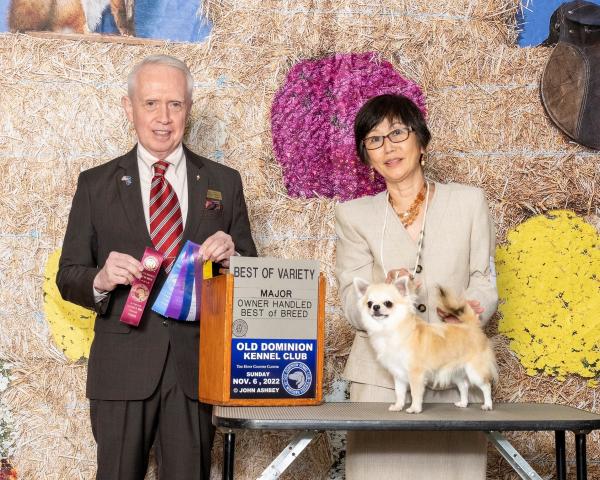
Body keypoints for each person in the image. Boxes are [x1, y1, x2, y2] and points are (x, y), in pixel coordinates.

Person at [56, 55, 257, 480]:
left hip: (195, 370)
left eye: (175, 104)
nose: (163, 117)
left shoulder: (225, 181)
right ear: (129, 109)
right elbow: (68, 275)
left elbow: (253, 276)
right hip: (121, 368)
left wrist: (233, 261)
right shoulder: (95, 184)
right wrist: (100, 278)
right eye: (151, 103)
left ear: (189, 109)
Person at [335, 94, 498, 479]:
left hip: (451, 370)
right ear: (366, 157)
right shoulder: (353, 215)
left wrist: (467, 311)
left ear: (421, 141)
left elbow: (484, 280)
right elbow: (350, 299)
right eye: (374, 140)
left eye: (397, 133)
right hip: (381, 382)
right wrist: (380, 293)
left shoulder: (469, 203)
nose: (388, 147)